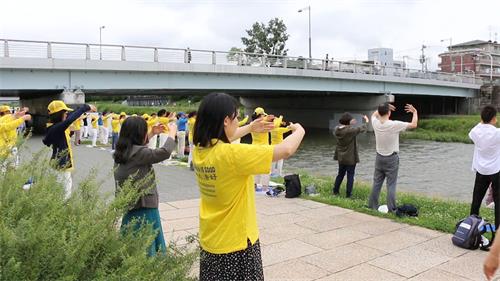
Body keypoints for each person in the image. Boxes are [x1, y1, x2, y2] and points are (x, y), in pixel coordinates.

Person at [192, 92, 305, 280]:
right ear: (226, 120)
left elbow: (229, 135)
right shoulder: (232, 154)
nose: (238, 123)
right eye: (236, 118)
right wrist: (299, 130)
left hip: (211, 237)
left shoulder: (200, 149)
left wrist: (251, 127)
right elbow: (285, 150)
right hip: (236, 243)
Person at [113, 116, 177, 256]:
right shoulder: (140, 154)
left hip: (130, 206)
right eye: (145, 131)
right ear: (138, 134)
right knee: (147, 248)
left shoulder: (121, 151)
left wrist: (152, 133)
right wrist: (172, 133)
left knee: (131, 243)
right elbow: (164, 152)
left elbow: (137, 149)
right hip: (144, 207)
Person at [368, 102, 418, 212]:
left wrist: (382, 108)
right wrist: (415, 112)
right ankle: (392, 208)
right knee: (391, 184)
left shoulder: (375, 123)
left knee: (377, 183)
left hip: (379, 157)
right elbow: (414, 125)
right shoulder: (394, 124)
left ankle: (372, 206)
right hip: (391, 158)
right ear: (389, 113)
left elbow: (373, 115)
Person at [42, 100, 96, 199]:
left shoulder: (55, 127)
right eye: (65, 112)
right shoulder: (57, 128)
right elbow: (69, 120)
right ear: (59, 114)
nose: (67, 114)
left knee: (60, 193)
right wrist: (86, 107)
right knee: (64, 196)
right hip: (60, 167)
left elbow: (69, 117)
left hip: (59, 165)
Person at [469, 105, 500, 232]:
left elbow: (476, 128)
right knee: (498, 202)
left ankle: (471, 225)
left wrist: (483, 120)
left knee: (476, 199)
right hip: (496, 170)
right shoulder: (497, 133)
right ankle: (498, 231)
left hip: (481, 170)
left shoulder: (474, 132)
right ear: (493, 118)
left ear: (482, 118)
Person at [333, 113, 369, 198]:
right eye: (352, 119)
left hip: (341, 157)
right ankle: (348, 195)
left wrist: (351, 123)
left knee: (340, 174)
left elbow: (347, 127)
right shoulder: (350, 131)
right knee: (350, 176)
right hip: (350, 158)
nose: (353, 120)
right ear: (348, 121)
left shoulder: (337, 130)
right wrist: (366, 120)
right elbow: (362, 128)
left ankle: (335, 191)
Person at [251, 107, 271, 192]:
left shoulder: (252, 123)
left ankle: (254, 185)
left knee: (255, 168)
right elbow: (276, 125)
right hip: (264, 148)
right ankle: (265, 187)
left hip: (254, 147)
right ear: (261, 115)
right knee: (266, 168)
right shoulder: (264, 123)